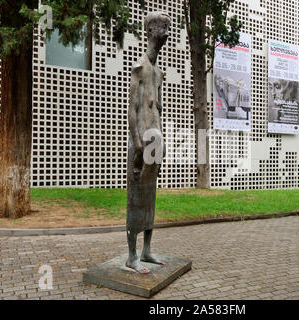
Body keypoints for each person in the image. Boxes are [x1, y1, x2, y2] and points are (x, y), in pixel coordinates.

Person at [126, 11, 171, 274]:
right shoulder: (139, 68)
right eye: (163, 26)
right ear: (151, 30)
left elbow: (159, 110)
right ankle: (132, 255)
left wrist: (161, 145)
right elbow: (132, 109)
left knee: (150, 197)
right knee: (136, 198)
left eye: (168, 26)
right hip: (141, 142)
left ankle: (146, 251)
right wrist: (137, 142)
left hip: (155, 139)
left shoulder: (159, 73)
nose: (167, 31)